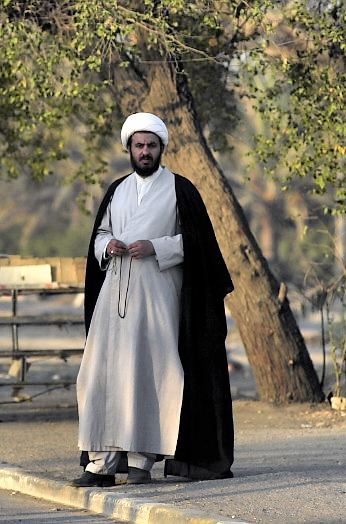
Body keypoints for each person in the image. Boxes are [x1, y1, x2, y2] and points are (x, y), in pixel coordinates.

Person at [71, 112, 235, 488]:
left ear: (162, 148)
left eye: (151, 146)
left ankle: (141, 462)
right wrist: (106, 245)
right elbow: (100, 234)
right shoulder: (117, 190)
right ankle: (101, 461)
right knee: (100, 374)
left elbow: (199, 245)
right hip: (114, 299)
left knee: (151, 375)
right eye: (139, 145)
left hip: (159, 301)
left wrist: (156, 246)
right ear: (128, 148)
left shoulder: (181, 189)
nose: (145, 151)